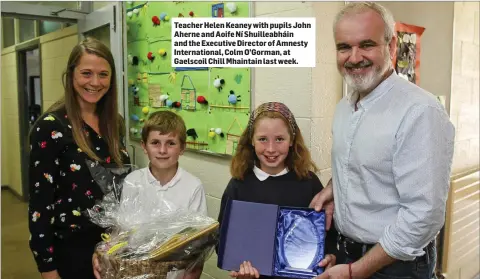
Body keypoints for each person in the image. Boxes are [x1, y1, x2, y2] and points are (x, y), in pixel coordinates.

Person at [310, 2, 455, 279]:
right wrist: (335, 188)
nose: (354, 57)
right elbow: (364, 163)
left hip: (396, 267)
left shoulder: (419, 111)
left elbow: (422, 217)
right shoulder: (344, 107)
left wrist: (356, 271)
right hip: (345, 252)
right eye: (344, 47)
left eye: (366, 45)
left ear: (390, 47)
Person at [28, 37, 131, 279]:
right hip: (72, 252)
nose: (95, 82)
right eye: (86, 73)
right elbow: (39, 208)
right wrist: (48, 270)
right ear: (71, 74)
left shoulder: (113, 123)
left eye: (103, 74)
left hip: (113, 247)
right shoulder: (52, 127)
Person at [217, 102, 338, 279]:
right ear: (251, 140)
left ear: (291, 141)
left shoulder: (309, 183)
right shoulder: (238, 185)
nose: (271, 149)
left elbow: (329, 233)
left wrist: (330, 255)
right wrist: (239, 267)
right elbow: (222, 241)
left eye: (279, 139)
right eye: (262, 139)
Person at [93, 111, 208, 279]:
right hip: (134, 271)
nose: (162, 150)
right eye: (155, 143)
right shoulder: (133, 181)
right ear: (144, 146)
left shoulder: (193, 186)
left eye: (171, 143)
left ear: (182, 148)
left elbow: (198, 242)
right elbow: (123, 232)